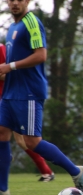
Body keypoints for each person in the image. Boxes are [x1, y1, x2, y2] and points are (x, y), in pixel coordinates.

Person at [0, 0, 83, 195]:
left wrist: (9, 67)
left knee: (32, 142)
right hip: (10, 92)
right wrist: (5, 72)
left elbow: (41, 55)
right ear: (7, 1)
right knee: (1, 132)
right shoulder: (12, 28)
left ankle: (76, 171)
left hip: (28, 93)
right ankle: (2, 188)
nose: (15, 3)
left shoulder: (32, 23)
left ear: (27, 1)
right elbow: (13, 63)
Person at [0, 44, 55, 182]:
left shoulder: (2, 49)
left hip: (9, 99)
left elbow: (11, 74)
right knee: (21, 141)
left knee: (25, 140)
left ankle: (50, 171)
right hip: (7, 101)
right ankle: (46, 171)